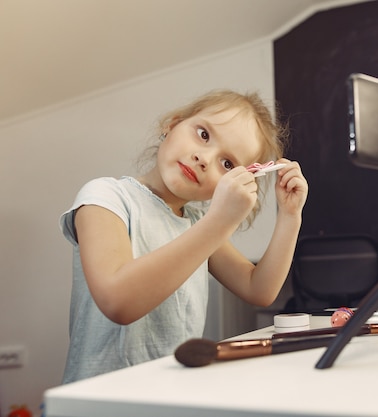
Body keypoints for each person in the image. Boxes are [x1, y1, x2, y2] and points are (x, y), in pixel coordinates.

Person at [59, 90, 308, 383]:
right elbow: (118, 302)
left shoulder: (197, 224)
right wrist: (219, 221)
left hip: (170, 394)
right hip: (98, 400)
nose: (205, 158)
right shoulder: (105, 197)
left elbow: (259, 290)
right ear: (172, 125)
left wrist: (290, 216)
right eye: (203, 134)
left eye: (227, 164)